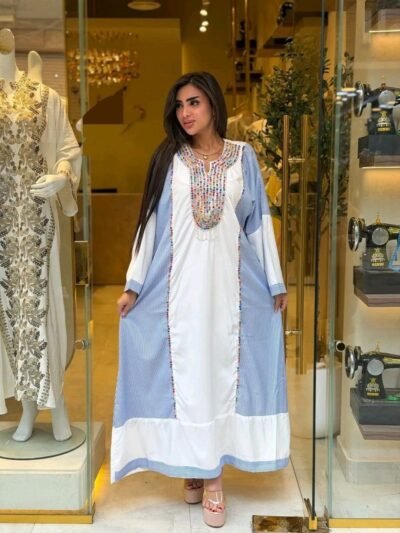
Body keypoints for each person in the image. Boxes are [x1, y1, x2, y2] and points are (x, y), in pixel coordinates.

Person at [111, 72, 289, 528]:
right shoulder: (169, 159)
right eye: (179, 105)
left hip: (231, 290)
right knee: (187, 377)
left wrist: (275, 282)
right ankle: (197, 465)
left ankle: (212, 478)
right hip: (179, 291)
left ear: (212, 103)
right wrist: (134, 285)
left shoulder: (242, 156)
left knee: (220, 374)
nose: (185, 113)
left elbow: (257, 222)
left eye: (193, 102)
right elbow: (150, 225)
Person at [0, 28, 81, 442]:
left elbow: (68, 150)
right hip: (2, 225)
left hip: (36, 220)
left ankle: (58, 402)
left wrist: (61, 176)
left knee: (42, 312)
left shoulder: (46, 97)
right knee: (11, 316)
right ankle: (28, 407)